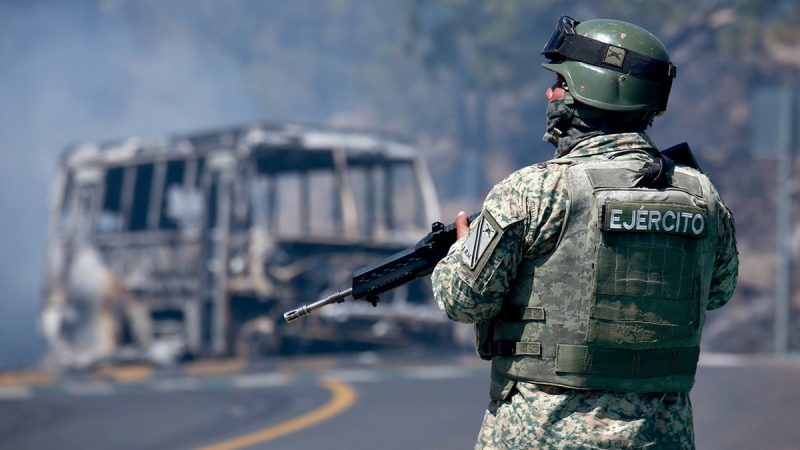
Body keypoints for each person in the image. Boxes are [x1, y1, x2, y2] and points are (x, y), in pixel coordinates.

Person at [432, 16, 738, 449]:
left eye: (560, 83)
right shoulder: (703, 196)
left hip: (542, 434)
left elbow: (462, 300)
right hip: (660, 436)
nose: (550, 93)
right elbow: (718, 291)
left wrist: (461, 251)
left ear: (588, 92)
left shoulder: (533, 191)